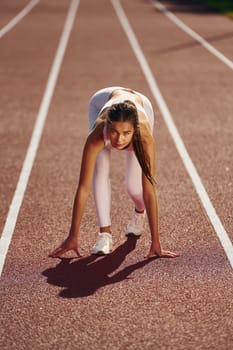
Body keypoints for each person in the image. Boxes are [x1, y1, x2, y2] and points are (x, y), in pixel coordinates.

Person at [49, 86, 178, 259]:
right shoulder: (97, 134)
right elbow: (83, 188)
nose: (119, 139)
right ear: (107, 126)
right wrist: (73, 236)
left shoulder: (144, 136)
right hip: (101, 101)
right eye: (114, 132)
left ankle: (139, 212)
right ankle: (104, 234)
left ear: (134, 130)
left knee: (134, 187)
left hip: (140, 104)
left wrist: (156, 242)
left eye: (126, 133)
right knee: (100, 168)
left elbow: (149, 189)